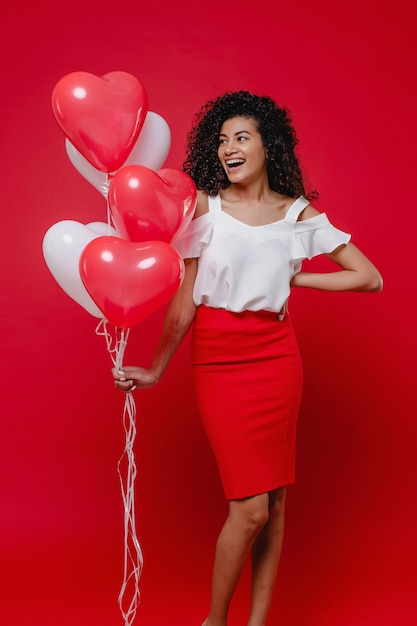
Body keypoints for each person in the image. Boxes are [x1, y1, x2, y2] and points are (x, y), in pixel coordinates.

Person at [112, 91, 383, 626]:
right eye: (221, 140)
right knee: (251, 508)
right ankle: (215, 621)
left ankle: (257, 622)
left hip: (278, 359)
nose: (229, 148)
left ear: (268, 145)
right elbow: (186, 298)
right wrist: (157, 368)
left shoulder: (297, 212)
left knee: (275, 503)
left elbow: (370, 278)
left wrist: (292, 274)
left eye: (242, 137)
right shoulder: (206, 209)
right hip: (219, 359)